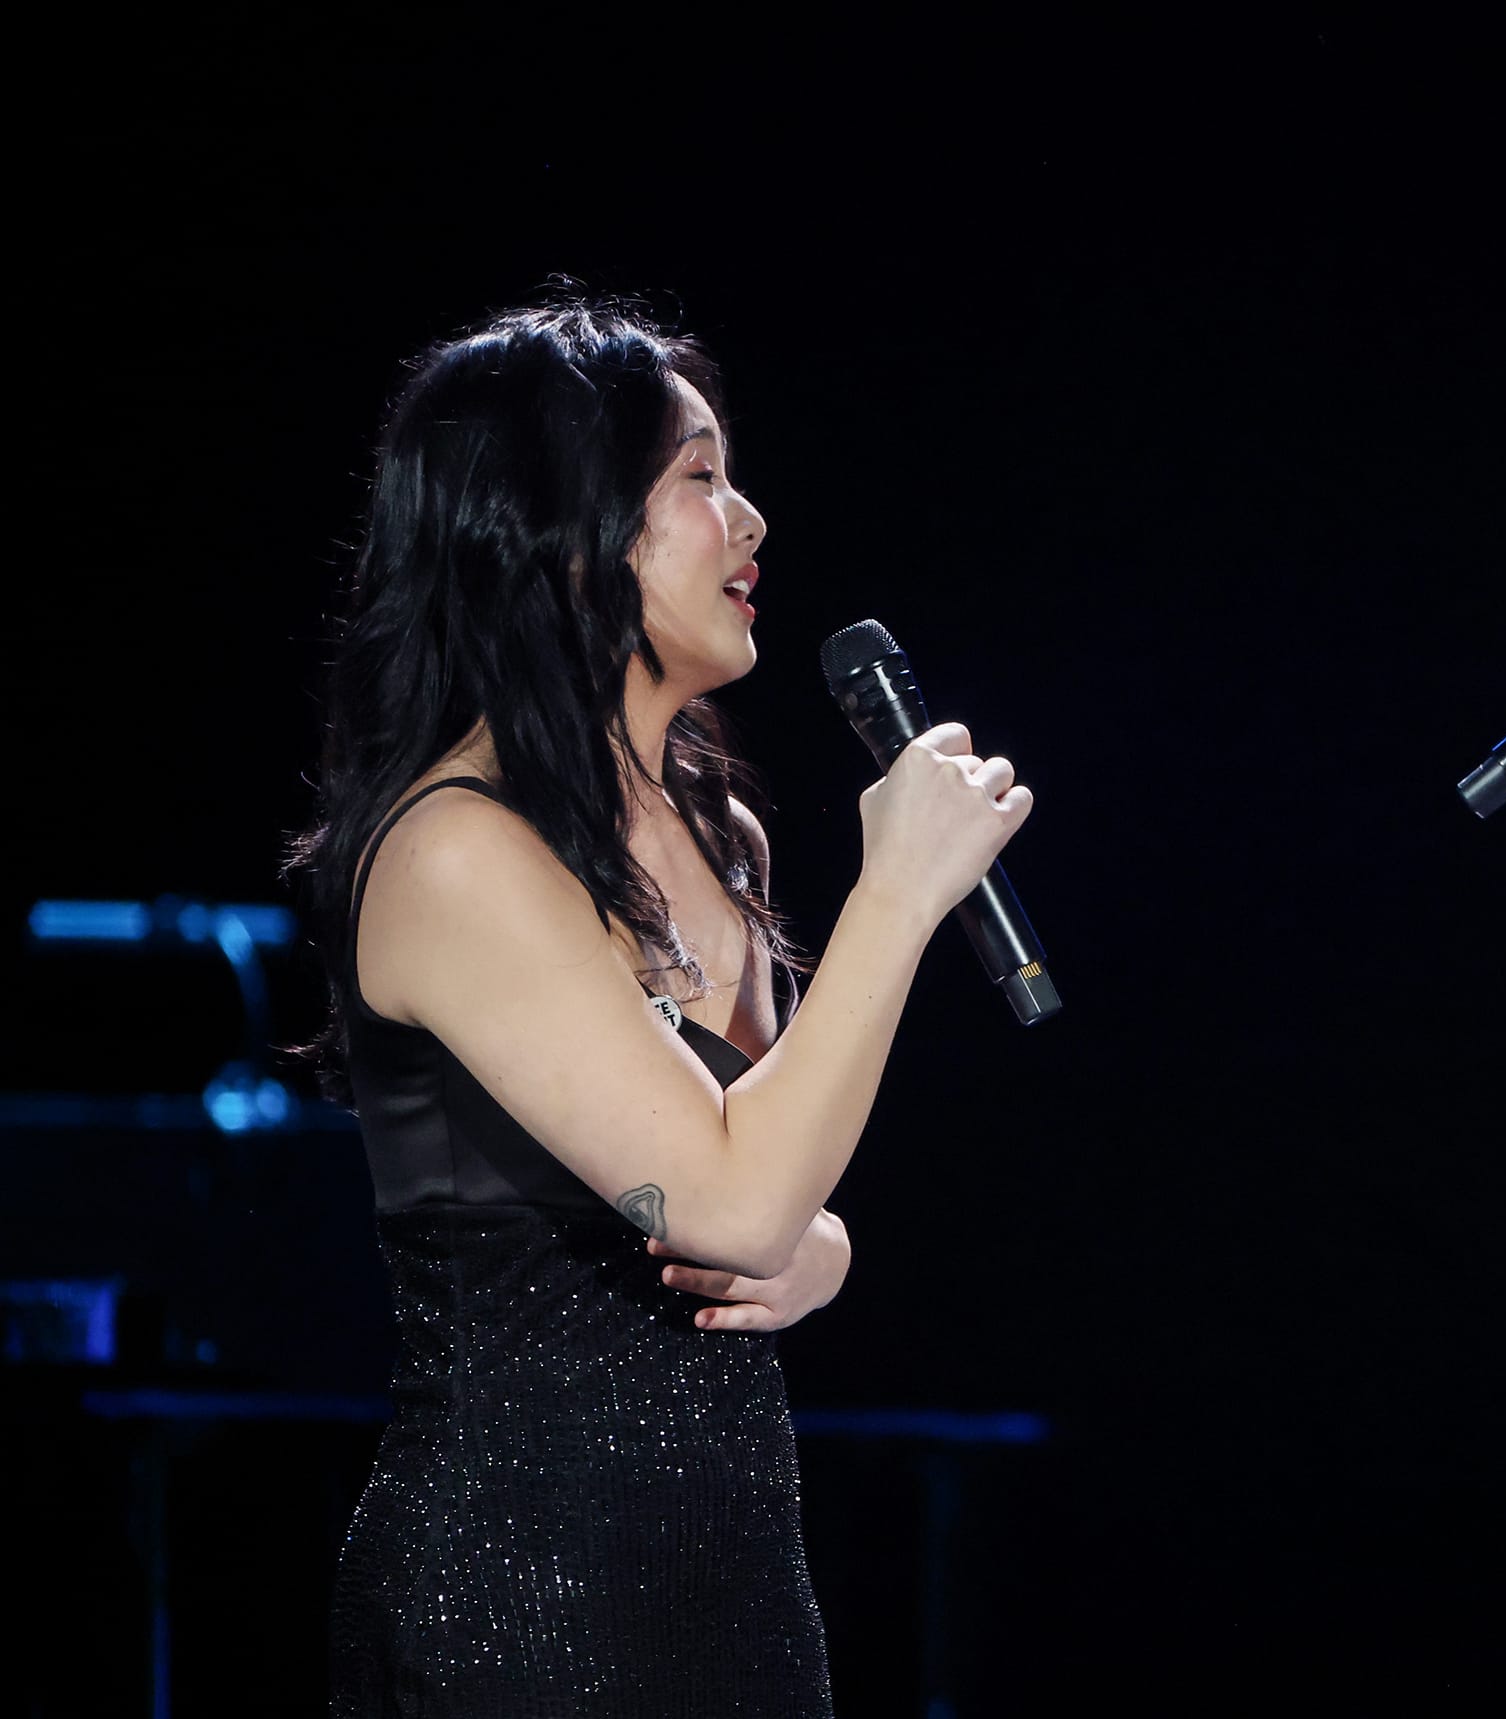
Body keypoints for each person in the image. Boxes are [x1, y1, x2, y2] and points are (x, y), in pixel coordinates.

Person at [286, 301, 1031, 1713]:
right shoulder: (454, 849)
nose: (747, 520)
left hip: (730, 1569)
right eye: (697, 477)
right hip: (513, 1594)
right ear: (562, 529)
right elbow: (727, 1207)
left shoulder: (721, 831)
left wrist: (832, 1251)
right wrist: (897, 898)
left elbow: (768, 1174)